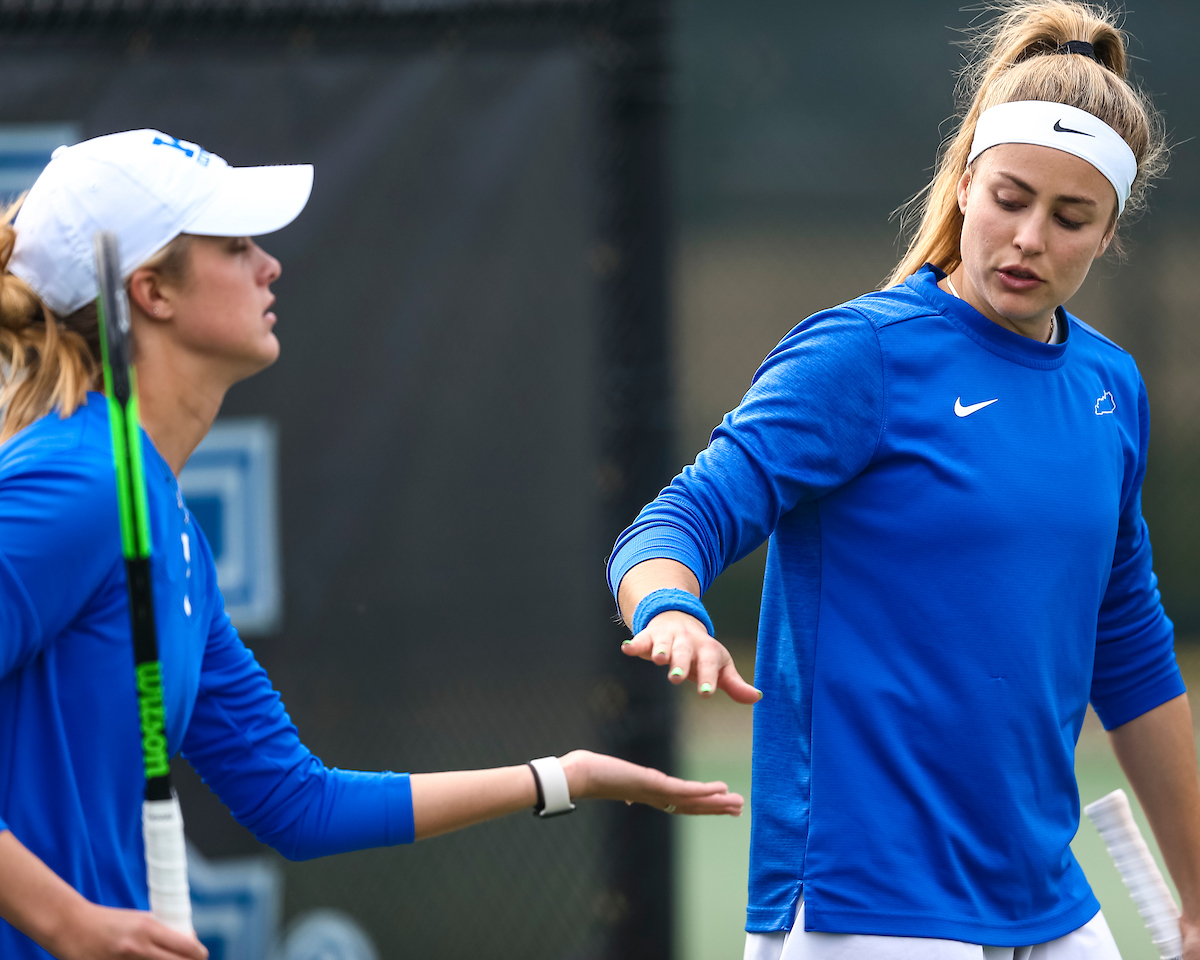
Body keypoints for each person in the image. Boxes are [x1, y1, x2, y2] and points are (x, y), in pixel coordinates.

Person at [0, 129, 743, 960]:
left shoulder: (161, 515)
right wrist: (66, 921)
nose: (270, 266)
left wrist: (565, 776)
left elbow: (296, 802)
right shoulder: (81, 483)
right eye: (237, 247)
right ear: (152, 292)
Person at [608, 3, 1200, 958]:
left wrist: (1198, 897)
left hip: (1046, 900)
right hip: (864, 904)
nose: (1029, 239)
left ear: (1109, 233)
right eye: (1010, 198)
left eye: (1070, 218)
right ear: (967, 183)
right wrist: (668, 610)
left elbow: (1128, 650)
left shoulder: (1109, 387)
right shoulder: (861, 356)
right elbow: (678, 519)